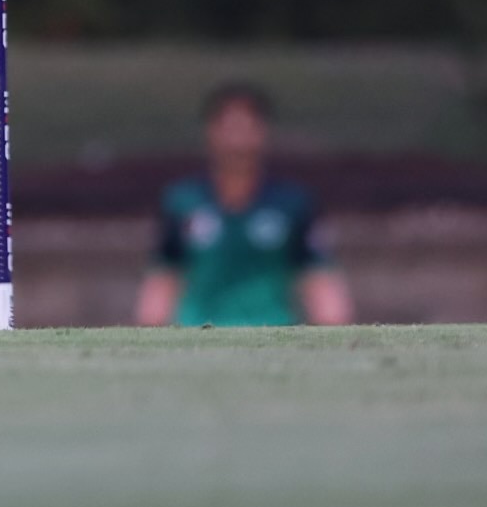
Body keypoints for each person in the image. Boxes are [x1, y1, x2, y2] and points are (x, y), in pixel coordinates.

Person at [135, 82, 353, 329]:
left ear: (263, 132)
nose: (237, 140)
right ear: (211, 132)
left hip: (273, 332)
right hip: (197, 333)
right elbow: (163, 276)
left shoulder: (292, 202)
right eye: (229, 128)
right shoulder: (183, 201)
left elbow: (319, 277)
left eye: (247, 128)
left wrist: (336, 332)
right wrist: (151, 331)